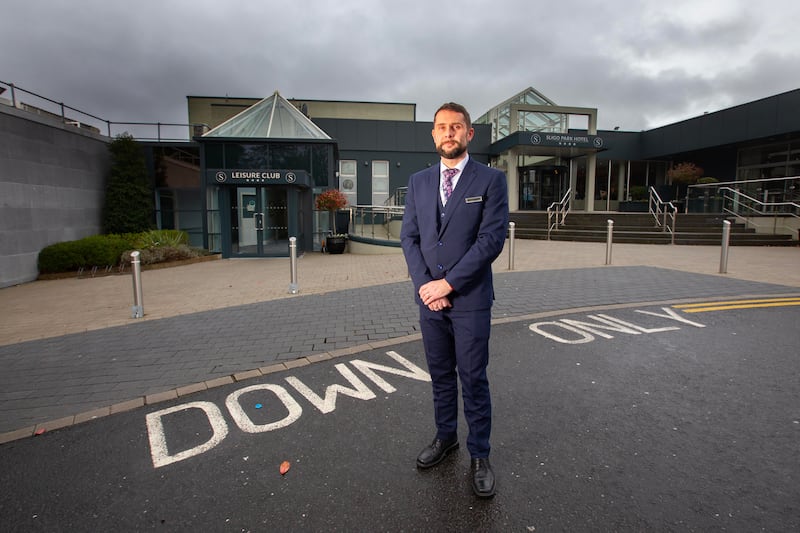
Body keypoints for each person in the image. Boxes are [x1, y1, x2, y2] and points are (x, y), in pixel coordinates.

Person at [400, 102, 509, 498]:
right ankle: (446, 438)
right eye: (442, 127)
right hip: (430, 301)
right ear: (433, 134)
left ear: (469, 134)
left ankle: (480, 454)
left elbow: (491, 240)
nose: (449, 133)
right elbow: (409, 238)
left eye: (456, 127)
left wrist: (448, 285)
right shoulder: (419, 181)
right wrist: (426, 287)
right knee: (441, 376)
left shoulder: (491, 181)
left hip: (470, 299)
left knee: (473, 379)